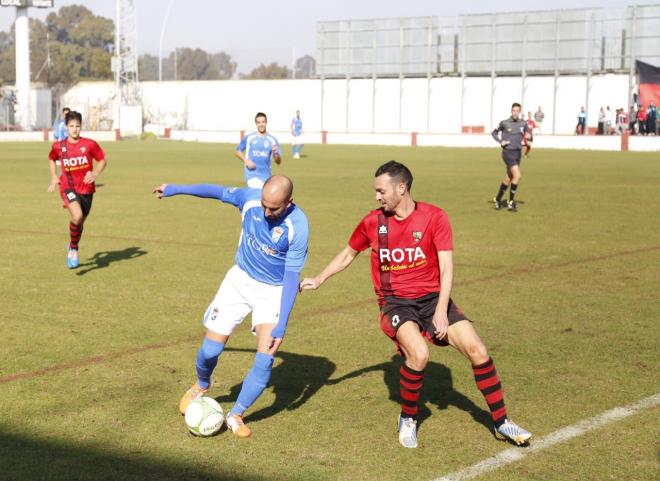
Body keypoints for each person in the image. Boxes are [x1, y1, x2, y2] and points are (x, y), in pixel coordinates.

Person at [300, 161, 532, 449]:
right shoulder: (373, 222)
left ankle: (501, 422)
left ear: (401, 188)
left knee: (478, 350)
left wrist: (440, 311)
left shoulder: (435, 217)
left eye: (381, 191)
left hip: (434, 299)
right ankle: (408, 417)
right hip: (395, 303)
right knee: (419, 354)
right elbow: (349, 254)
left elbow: (447, 267)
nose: (377, 197)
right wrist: (320, 279)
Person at [153, 175, 309, 438]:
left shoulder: (298, 225)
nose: (267, 212)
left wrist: (281, 323)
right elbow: (215, 191)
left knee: (265, 358)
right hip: (239, 281)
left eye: (274, 208)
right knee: (209, 351)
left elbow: (292, 277)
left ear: (289, 202)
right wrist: (176, 189)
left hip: (273, 292)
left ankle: (236, 413)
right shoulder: (249, 201)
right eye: (264, 205)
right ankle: (201, 385)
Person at [47, 110, 107, 269]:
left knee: (79, 222)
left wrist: (95, 173)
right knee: (77, 215)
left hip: (87, 189)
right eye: (71, 126)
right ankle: (73, 249)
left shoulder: (90, 144)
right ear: (65, 127)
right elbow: (52, 159)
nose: (74, 129)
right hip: (68, 187)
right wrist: (54, 177)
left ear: (81, 127)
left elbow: (102, 160)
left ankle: (72, 244)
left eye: (78, 126)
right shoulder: (59, 146)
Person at [491, 102, 532, 212]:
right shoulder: (504, 123)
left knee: (508, 178)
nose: (515, 113)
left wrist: (528, 136)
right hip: (508, 153)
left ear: (520, 112)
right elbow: (494, 133)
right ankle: (511, 202)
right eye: (513, 110)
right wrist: (501, 141)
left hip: (517, 153)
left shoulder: (523, 123)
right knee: (517, 176)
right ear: (511, 111)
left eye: (517, 111)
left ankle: (498, 200)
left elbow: (528, 133)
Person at [235, 112, 282, 189]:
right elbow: (237, 151)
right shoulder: (249, 138)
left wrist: (276, 154)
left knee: (264, 200)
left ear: (266, 123)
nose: (261, 124)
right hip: (252, 175)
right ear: (256, 124)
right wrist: (246, 160)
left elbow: (278, 162)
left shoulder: (272, 140)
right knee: (257, 196)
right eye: (259, 122)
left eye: (263, 122)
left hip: (266, 176)